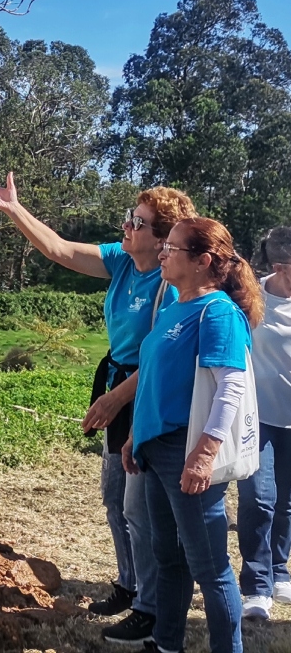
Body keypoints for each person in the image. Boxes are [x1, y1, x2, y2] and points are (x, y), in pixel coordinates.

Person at [0, 172, 194, 644]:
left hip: (146, 391)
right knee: (115, 499)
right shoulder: (122, 261)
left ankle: (151, 608)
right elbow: (58, 249)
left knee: (141, 509)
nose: (127, 226)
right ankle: (129, 584)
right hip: (116, 378)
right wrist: (14, 210)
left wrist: (116, 399)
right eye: (130, 218)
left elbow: (162, 357)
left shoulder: (170, 283)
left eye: (139, 222)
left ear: (163, 241)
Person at [123, 217, 263, 653]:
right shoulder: (174, 306)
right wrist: (134, 437)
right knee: (169, 557)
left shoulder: (216, 312)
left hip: (186, 452)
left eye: (173, 249)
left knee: (210, 566)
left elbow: (231, 386)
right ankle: (167, 644)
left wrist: (204, 453)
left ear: (203, 261)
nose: (163, 253)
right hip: (157, 449)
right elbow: (154, 382)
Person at [237, 226, 291, 619]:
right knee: (259, 497)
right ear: (280, 267)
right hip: (258, 417)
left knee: (287, 502)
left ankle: (278, 569)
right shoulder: (250, 296)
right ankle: (255, 585)